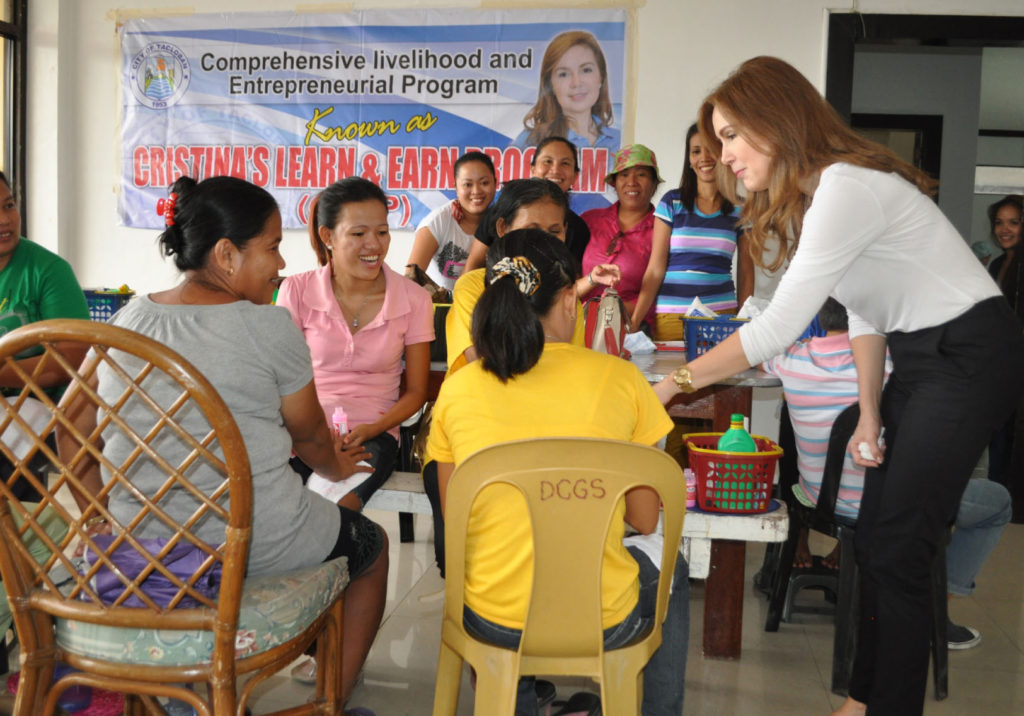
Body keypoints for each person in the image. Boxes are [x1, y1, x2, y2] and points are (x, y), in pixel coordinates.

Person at [655, 56, 1024, 715]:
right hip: (921, 358)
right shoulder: (817, 199)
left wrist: (672, 385)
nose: (725, 154)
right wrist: (871, 414)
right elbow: (864, 308)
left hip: (971, 353)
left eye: (733, 135)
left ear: (776, 120)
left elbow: (774, 329)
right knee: (874, 538)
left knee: (902, 550)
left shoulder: (847, 185)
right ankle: (860, 699)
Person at [57, 176, 388, 709]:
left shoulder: (128, 319)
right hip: (255, 543)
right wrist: (334, 466)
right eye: (273, 247)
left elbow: (68, 426)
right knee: (371, 547)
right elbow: (309, 440)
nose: (281, 264)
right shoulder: (269, 327)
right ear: (227, 254)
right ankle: (333, 703)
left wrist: (101, 518)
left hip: (145, 548)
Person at [426, 230, 688, 716]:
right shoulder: (621, 379)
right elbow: (647, 519)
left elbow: (455, 513)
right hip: (603, 620)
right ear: (570, 299)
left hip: (488, 618)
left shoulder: (458, 389)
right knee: (673, 564)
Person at [764, 298, 1012, 649]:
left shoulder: (789, 359)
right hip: (890, 503)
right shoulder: (896, 365)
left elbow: (756, 351)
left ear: (818, 315)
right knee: (998, 503)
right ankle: (932, 611)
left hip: (821, 500)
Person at [277, 177, 434, 512]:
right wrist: (313, 437)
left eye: (382, 232)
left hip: (372, 436)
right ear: (327, 237)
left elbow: (417, 392)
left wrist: (373, 428)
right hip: (303, 432)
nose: (374, 245)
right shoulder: (297, 290)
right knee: (281, 509)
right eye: (358, 234)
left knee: (334, 512)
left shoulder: (415, 299)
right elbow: (280, 379)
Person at [633, 123, 754, 340]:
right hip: (672, 317)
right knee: (670, 375)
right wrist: (634, 323)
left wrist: (744, 321)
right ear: (689, 160)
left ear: (724, 154)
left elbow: (746, 270)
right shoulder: (672, 202)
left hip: (721, 317)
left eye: (711, 149)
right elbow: (655, 269)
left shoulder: (741, 209)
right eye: (696, 151)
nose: (704, 158)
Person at [581, 144, 663, 333]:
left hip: (633, 329)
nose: (631, 182)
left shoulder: (662, 228)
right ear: (615, 182)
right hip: (580, 326)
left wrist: (611, 313)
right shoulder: (589, 220)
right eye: (624, 175)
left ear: (654, 184)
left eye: (641, 174)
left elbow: (658, 286)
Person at [510, 30, 619, 151]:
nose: (576, 83)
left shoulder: (620, 141)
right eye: (563, 74)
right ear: (550, 84)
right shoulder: (530, 141)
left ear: (601, 77)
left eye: (586, 70)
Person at [984, 194, 1024, 521]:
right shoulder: (999, 263)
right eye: (999, 222)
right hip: (1001, 368)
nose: (1004, 229)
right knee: (998, 436)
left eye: (1013, 222)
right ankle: (1000, 505)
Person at [405, 151, 496, 293]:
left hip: (485, 307)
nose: (476, 191)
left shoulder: (503, 222)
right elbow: (410, 278)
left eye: (484, 183)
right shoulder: (438, 222)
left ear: (495, 183)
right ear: (456, 186)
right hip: (441, 308)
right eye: (467, 184)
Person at [527, 136, 591, 267]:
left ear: (575, 176)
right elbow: (474, 267)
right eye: (547, 161)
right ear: (533, 169)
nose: (555, 170)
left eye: (565, 163)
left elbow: (572, 282)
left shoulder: (578, 229)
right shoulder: (506, 209)